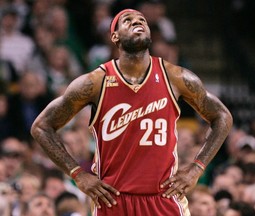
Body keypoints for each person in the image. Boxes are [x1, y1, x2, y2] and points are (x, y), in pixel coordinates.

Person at [31, 8, 233, 215]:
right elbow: (41, 127)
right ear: (114, 36)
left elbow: (222, 116)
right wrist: (77, 174)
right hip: (112, 199)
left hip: (163, 199)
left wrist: (197, 167)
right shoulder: (95, 82)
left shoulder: (176, 77)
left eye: (142, 20)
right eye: (128, 20)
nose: (138, 22)